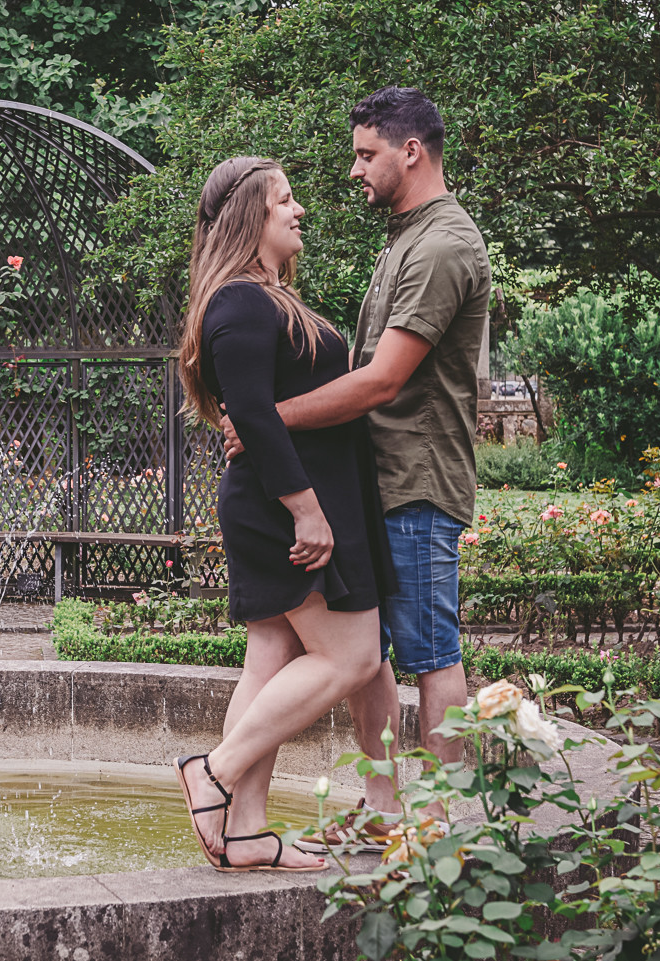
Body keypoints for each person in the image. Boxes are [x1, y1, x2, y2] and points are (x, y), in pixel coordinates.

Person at [221, 87, 492, 850]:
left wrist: (269, 420)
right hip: (378, 480)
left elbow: (381, 381)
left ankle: (438, 831)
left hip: (417, 481)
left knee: (430, 654)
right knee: (369, 653)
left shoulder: (442, 245)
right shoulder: (408, 236)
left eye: (365, 154)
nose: (353, 170)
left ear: (412, 151)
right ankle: (382, 811)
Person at [173, 155, 393, 872]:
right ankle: (215, 772)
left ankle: (244, 831)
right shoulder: (240, 301)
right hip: (280, 506)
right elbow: (254, 418)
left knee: (271, 656)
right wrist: (306, 509)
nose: (300, 211)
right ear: (250, 217)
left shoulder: (263, 298)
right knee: (354, 655)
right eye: (286, 201)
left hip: (287, 500)